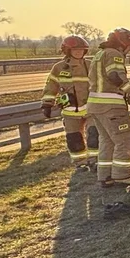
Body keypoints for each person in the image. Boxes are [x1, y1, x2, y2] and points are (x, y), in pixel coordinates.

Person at [87, 27, 130, 187]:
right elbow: (115, 77)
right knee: (124, 139)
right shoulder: (114, 54)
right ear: (123, 43)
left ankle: (105, 175)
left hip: (96, 106)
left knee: (106, 141)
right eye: (129, 48)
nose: (128, 52)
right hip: (111, 106)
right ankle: (122, 175)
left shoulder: (99, 54)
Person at [41, 34, 98, 169]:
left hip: (90, 109)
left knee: (94, 136)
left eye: (81, 50)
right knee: (74, 139)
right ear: (67, 51)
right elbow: (51, 86)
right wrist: (47, 104)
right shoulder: (59, 68)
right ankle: (80, 163)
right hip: (70, 112)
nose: (78, 52)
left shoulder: (91, 65)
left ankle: (95, 161)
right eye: (75, 50)